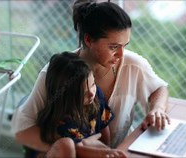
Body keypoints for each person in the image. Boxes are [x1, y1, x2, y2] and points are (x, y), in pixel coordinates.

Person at [11, 0, 170, 152]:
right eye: (113, 47)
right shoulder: (57, 73)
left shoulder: (133, 64)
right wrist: (78, 149)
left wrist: (157, 109)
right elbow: (22, 129)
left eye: (124, 46)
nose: (121, 55)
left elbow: (159, 88)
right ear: (88, 39)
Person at [25, 52, 126, 157]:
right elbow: (78, 149)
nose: (92, 93)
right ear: (66, 95)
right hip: (66, 152)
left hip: (84, 150)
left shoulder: (95, 96)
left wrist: (109, 150)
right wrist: (106, 152)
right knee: (68, 145)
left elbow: (104, 127)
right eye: (84, 92)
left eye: (92, 84)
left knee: (98, 146)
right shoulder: (59, 122)